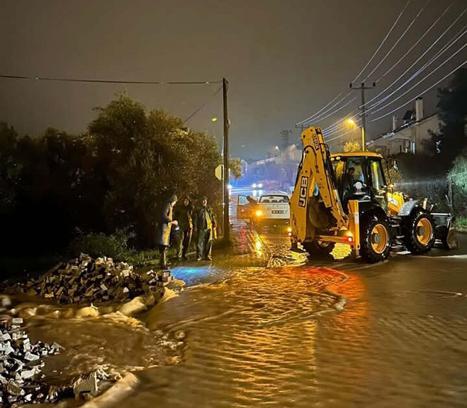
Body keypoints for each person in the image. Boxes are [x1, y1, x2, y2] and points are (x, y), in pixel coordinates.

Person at [157, 194, 178, 269]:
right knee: (163, 247)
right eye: (175, 201)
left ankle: (163, 263)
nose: (175, 203)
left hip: (166, 230)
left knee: (164, 247)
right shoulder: (167, 205)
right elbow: (163, 215)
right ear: (173, 200)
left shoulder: (170, 207)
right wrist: (172, 221)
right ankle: (163, 265)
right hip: (163, 229)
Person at [194, 196, 216, 261]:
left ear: (207, 201)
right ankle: (199, 256)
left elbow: (212, 216)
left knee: (209, 242)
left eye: (205, 200)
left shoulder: (209, 208)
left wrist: (214, 223)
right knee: (199, 243)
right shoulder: (198, 209)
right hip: (201, 227)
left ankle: (208, 256)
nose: (204, 202)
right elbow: (195, 219)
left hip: (209, 227)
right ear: (201, 202)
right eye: (203, 200)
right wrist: (195, 226)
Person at [174, 196, 194, 260]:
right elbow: (175, 216)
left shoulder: (190, 208)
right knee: (180, 241)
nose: (186, 202)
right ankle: (179, 255)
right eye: (185, 201)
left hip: (188, 227)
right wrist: (176, 225)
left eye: (187, 201)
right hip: (181, 226)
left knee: (187, 242)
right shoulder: (179, 208)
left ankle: (184, 254)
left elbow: (192, 216)